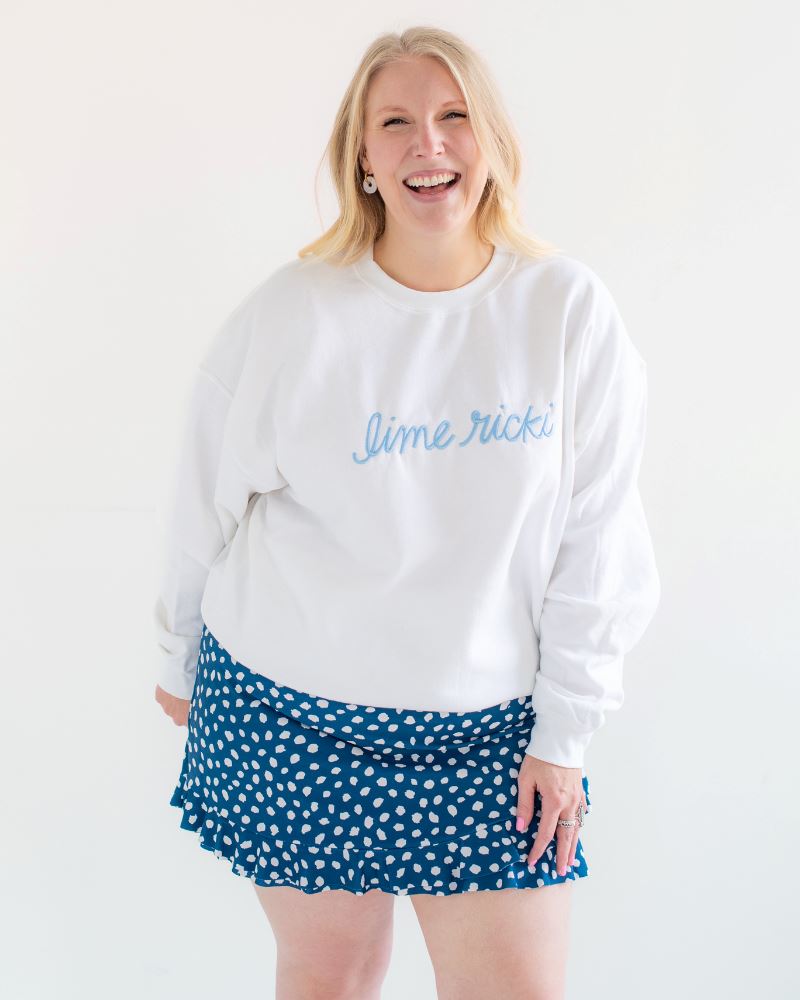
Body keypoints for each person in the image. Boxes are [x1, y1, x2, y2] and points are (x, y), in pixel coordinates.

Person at [153, 25, 661, 1000]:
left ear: (490, 143)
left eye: (452, 116)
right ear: (363, 156)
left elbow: (597, 540)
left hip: (489, 734)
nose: (427, 142)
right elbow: (200, 500)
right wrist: (177, 649)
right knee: (331, 975)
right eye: (395, 123)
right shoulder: (291, 315)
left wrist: (564, 732)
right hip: (288, 711)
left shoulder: (563, 311)